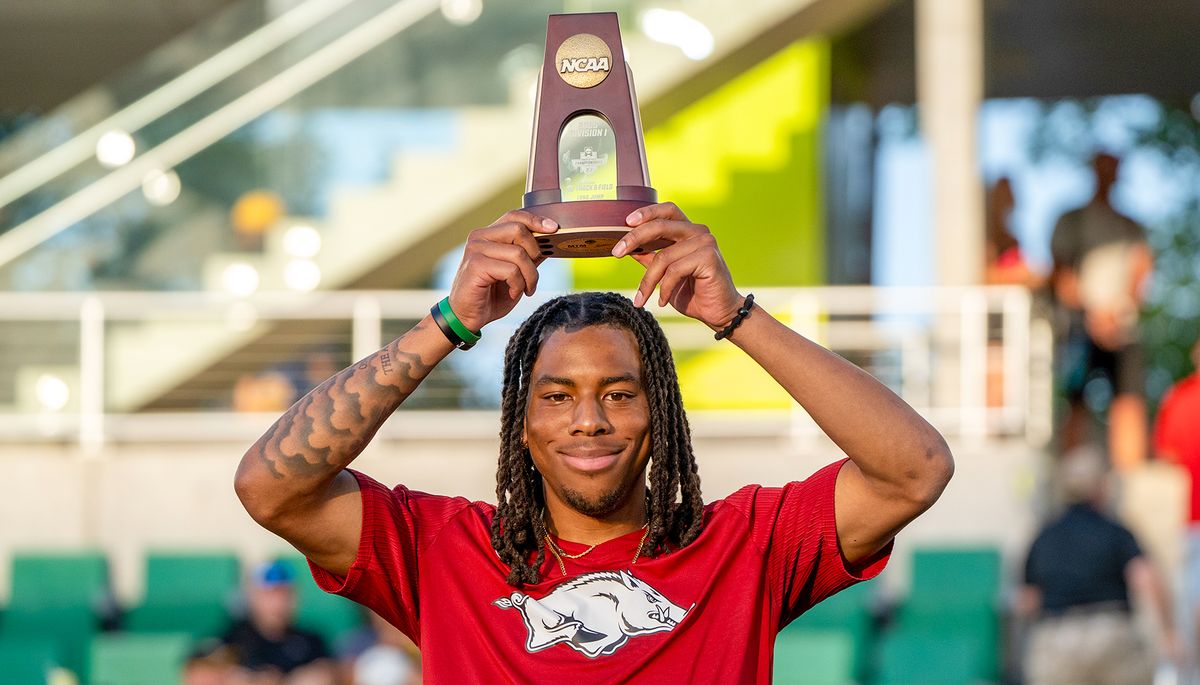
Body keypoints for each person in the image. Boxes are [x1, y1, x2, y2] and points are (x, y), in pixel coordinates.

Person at [234, 203, 955, 682]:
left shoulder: (746, 545)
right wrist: (449, 321)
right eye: (556, 396)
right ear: (521, 420)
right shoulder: (442, 549)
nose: (588, 420)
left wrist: (733, 314)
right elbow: (270, 486)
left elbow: (914, 470)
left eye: (618, 392)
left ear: (661, 415)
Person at [1019, 446, 1179, 685]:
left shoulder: (1044, 537)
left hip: (1056, 639)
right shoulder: (1115, 532)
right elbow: (1145, 577)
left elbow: (1028, 600)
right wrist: (1167, 632)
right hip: (1111, 635)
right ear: (1101, 487)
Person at [1050, 152, 1154, 471]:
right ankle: (1073, 481)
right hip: (1081, 326)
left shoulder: (1131, 225)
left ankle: (1130, 475)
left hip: (1123, 328)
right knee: (1076, 400)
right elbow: (1063, 275)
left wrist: (1119, 313)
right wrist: (1094, 316)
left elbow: (1141, 274)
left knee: (1129, 399)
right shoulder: (1072, 220)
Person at [1155, 337, 1200, 676]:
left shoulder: (1180, 398)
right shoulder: (1181, 397)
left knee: (1190, 607)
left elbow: (1167, 455)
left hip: (1192, 521)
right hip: (1191, 520)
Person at [220, 561, 336, 685]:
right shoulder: (233, 639)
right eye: (269, 595)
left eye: (285, 594)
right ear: (252, 597)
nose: (278, 603)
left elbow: (330, 673)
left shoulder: (311, 640)